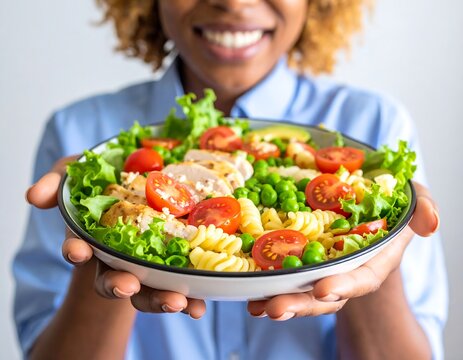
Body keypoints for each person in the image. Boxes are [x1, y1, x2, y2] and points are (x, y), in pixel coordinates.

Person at [14, 1, 448, 359]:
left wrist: (373, 248)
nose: (234, 3)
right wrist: (108, 253)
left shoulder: (374, 129)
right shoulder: (82, 138)